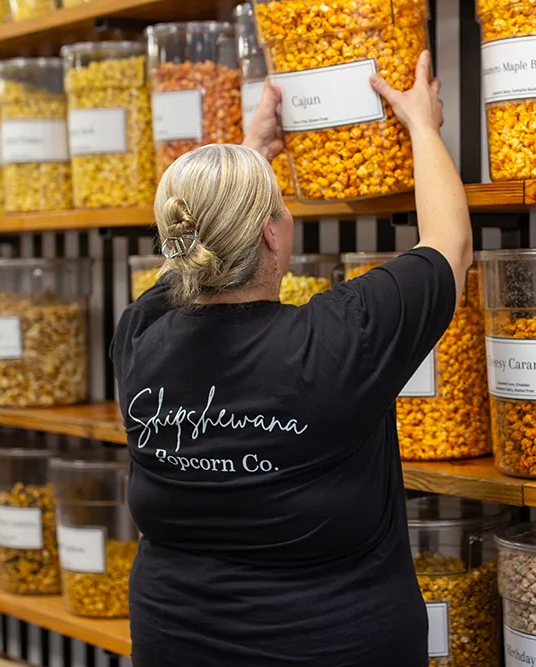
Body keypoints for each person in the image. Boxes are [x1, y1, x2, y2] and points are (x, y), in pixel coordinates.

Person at [110, 50, 472, 667]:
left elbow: (187, 263)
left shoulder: (140, 336)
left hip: (173, 641)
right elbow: (450, 246)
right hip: (335, 645)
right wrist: (422, 124)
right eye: (278, 205)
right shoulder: (338, 338)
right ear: (271, 233)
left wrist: (246, 158)